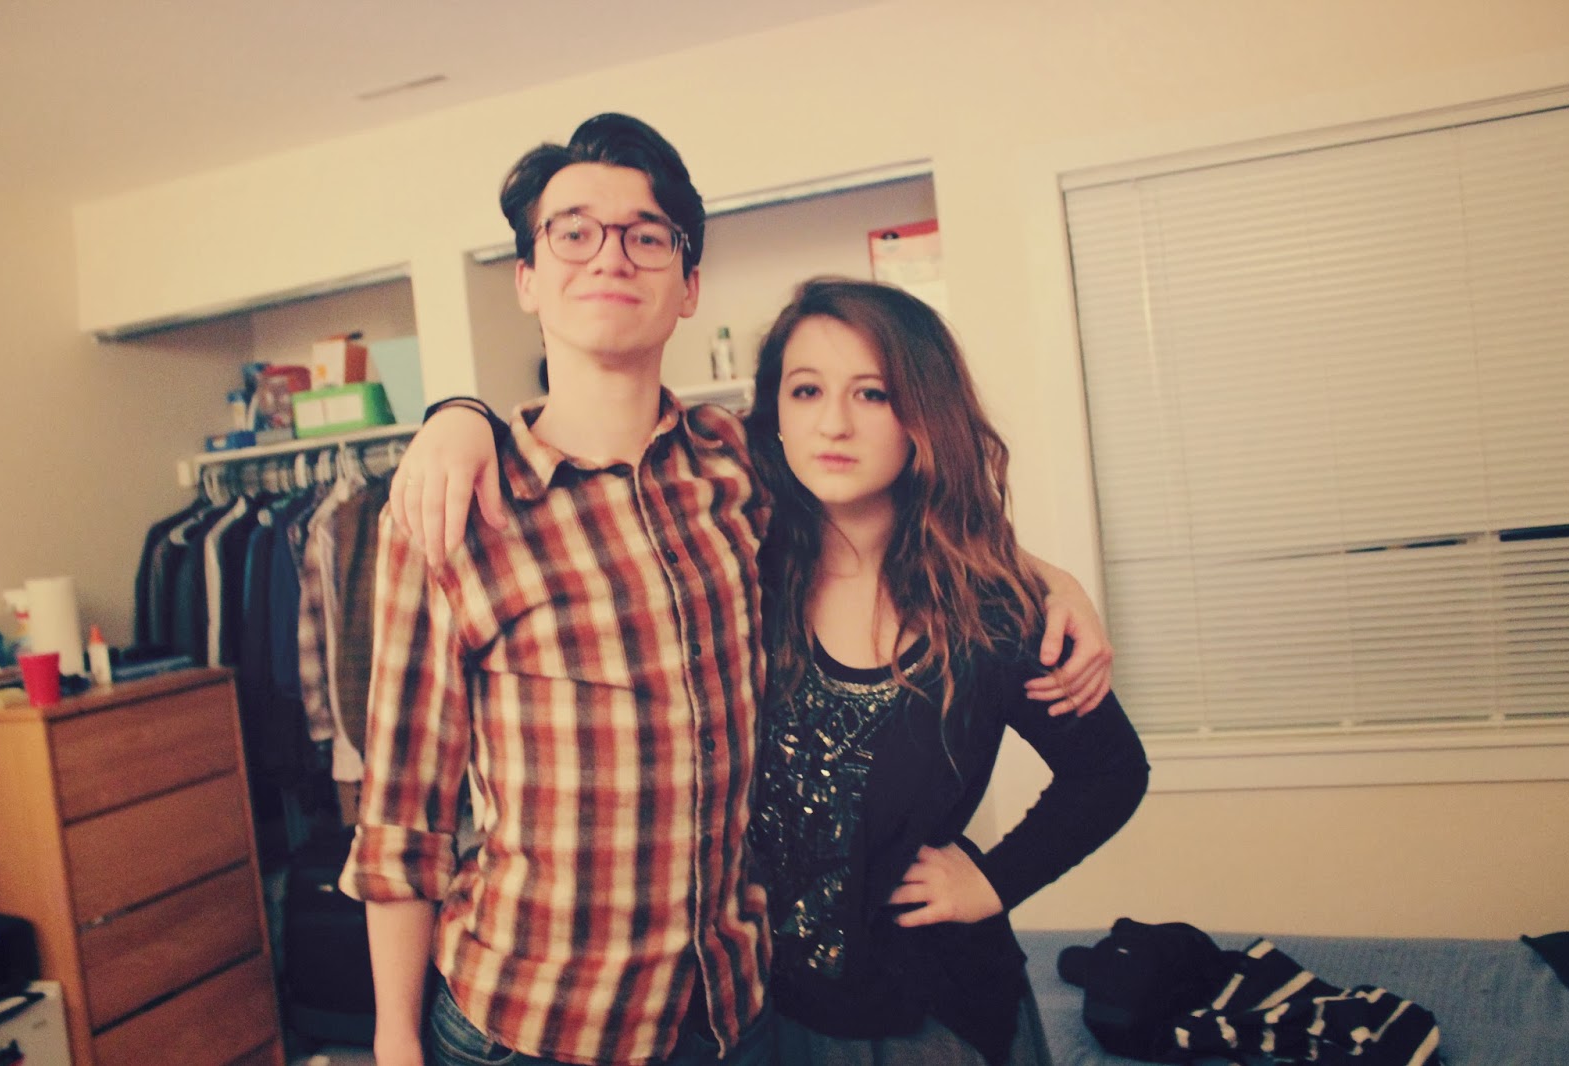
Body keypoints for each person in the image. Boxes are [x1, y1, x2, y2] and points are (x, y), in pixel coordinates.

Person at [343, 113, 1115, 1066]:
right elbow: (402, 821)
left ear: (688, 285)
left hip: (732, 1015)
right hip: (532, 1023)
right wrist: (393, 1038)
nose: (609, 255)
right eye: (573, 232)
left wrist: (1044, 577)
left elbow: (892, 497)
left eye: (646, 235)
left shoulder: (736, 467)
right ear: (528, 278)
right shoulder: (455, 504)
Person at [741, 277, 1148, 1065]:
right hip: (761, 1009)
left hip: (925, 1017)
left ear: (923, 415)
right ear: (775, 415)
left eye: (872, 393)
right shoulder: (740, 572)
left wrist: (991, 881)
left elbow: (1110, 772)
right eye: (806, 390)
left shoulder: (989, 607)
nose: (833, 422)